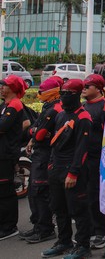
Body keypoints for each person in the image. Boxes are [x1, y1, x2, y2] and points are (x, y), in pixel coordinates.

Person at [41, 79, 93, 259]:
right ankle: (64, 241)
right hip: (56, 168)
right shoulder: (61, 115)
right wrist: (51, 164)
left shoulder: (83, 118)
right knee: (58, 207)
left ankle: (83, 246)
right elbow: (54, 143)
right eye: (62, 93)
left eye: (67, 93)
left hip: (72, 170)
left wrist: (73, 172)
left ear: (77, 95)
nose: (63, 97)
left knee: (78, 209)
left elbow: (82, 148)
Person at [21, 77, 62, 244]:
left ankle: (45, 229)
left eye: (42, 91)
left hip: (46, 154)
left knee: (40, 192)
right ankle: (38, 225)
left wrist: (35, 133)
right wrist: (34, 134)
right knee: (33, 191)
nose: (39, 94)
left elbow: (39, 132)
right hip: (39, 153)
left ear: (52, 92)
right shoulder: (48, 107)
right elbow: (34, 129)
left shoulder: (55, 109)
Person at [80, 73, 105, 250]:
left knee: (97, 196)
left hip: (98, 159)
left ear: (98, 89)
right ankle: (89, 229)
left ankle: (102, 232)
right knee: (85, 196)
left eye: (87, 86)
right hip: (83, 158)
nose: (84, 88)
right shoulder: (83, 107)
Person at [0, 75, 27, 241]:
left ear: (13, 88)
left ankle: (9, 227)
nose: (2, 88)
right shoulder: (6, 105)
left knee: (5, 191)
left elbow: (2, 126)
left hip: (6, 154)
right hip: (2, 153)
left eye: (5, 85)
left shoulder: (15, 104)